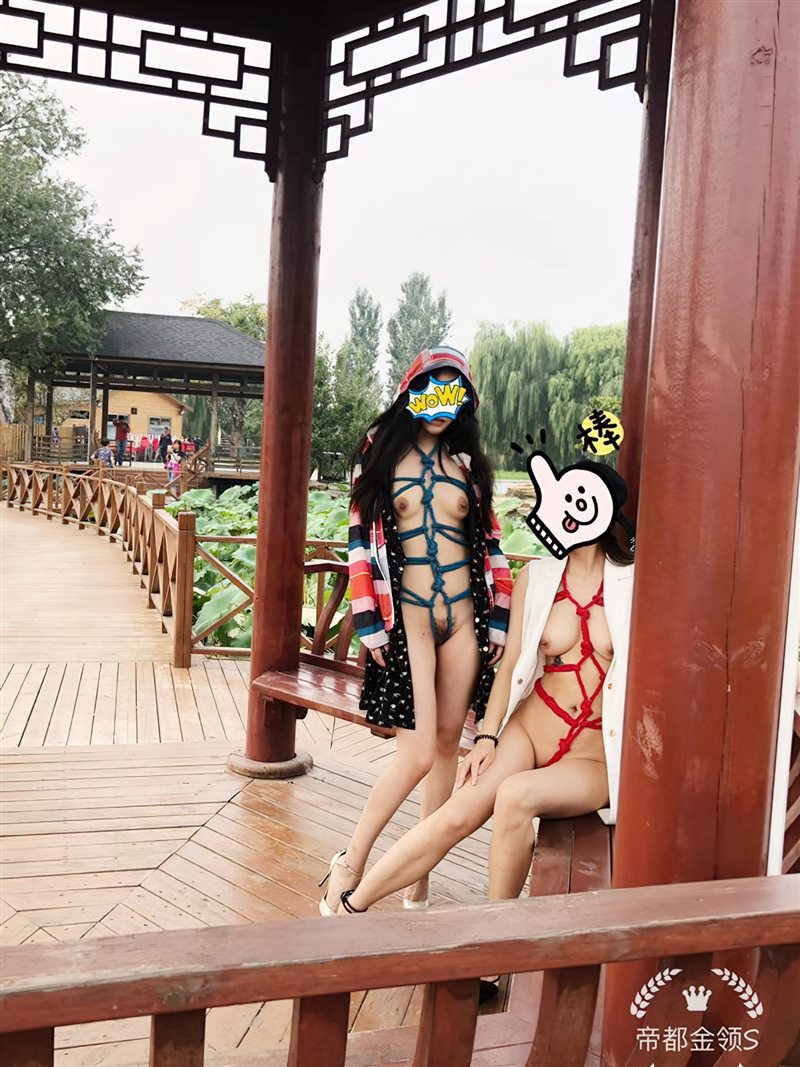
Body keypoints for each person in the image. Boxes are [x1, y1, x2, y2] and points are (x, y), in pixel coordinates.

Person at [333, 461, 634, 1002]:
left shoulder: (637, 584)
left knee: (516, 797)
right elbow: (513, 661)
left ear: (606, 512)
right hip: (530, 727)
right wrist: (488, 737)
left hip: (593, 756)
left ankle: (493, 956)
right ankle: (350, 907)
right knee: (460, 808)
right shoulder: (537, 578)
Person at [318, 347, 512, 915]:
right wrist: (367, 620)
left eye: (455, 394)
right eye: (434, 390)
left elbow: (491, 546)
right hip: (409, 618)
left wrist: (500, 618)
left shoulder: (469, 469)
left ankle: (417, 877)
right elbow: (359, 541)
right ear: (412, 392)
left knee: (450, 746)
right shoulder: (377, 458)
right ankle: (349, 862)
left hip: (465, 619)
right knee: (419, 753)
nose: (443, 405)